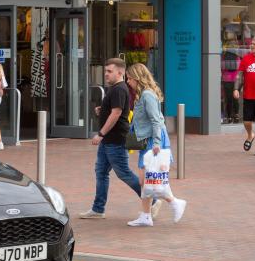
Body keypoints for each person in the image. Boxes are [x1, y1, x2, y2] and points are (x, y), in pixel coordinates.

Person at [125, 63, 187, 227]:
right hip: (148, 140)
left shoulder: (147, 95)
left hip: (153, 141)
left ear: (137, 78)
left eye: (129, 78)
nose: (128, 82)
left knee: (149, 179)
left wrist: (157, 143)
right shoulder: (141, 95)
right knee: (147, 180)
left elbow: (156, 120)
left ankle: (174, 203)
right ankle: (146, 215)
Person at [79, 58, 142, 218]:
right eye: (105, 71)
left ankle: (153, 200)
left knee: (124, 173)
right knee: (101, 172)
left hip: (115, 140)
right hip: (109, 141)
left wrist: (101, 134)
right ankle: (98, 209)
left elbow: (117, 113)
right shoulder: (115, 89)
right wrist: (103, 109)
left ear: (120, 72)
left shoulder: (119, 89)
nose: (106, 74)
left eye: (109, 71)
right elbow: (114, 110)